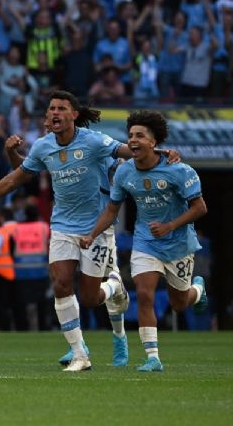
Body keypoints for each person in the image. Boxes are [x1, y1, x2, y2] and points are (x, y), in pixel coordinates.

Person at [0, 91, 157, 371]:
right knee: (61, 283)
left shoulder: (93, 142)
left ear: (74, 114)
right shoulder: (44, 147)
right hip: (63, 226)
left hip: (96, 227)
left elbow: (126, 151)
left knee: (91, 298)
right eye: (51, 108)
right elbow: (20, 176)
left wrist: (158, 155)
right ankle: (80, 352)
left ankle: (115, 288)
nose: (54, 112)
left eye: (61, 108)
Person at [79, 111, 208, 372]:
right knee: (145, 294)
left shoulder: (179, 170)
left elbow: (200, 207)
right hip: (145, 242)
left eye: (140, 135)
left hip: (179, 244)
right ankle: (153, 357)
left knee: (179, 303)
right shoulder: (124, 172)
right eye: (130, 136)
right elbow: (112, 210)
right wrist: (92, 234)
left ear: (154, 142)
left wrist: (170, 225)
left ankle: (198, 291)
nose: (133, 140)